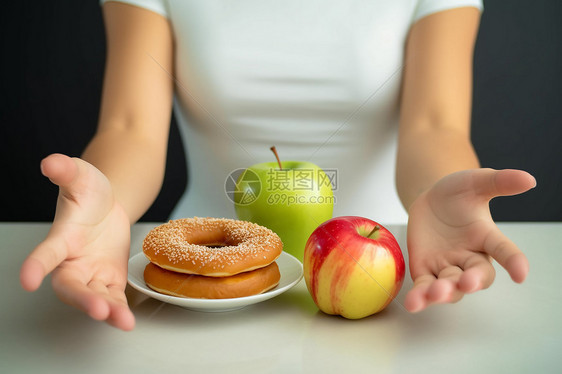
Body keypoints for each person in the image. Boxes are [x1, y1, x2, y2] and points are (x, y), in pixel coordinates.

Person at [19, 0, 536, 331]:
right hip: (192, 298)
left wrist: (443, 190)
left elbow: (436, 127)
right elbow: (129, 127)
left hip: (384, 275)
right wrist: (109, 204)